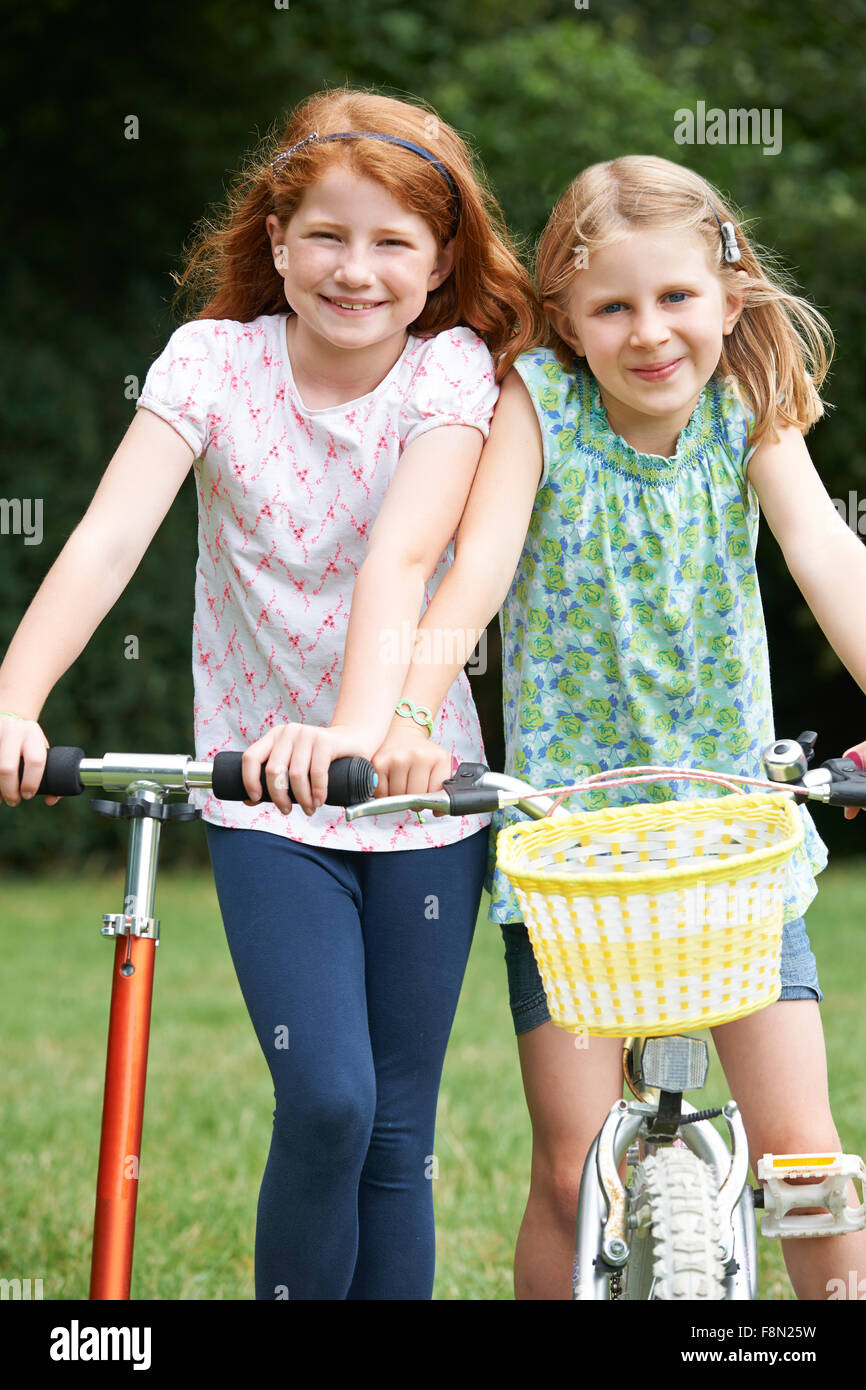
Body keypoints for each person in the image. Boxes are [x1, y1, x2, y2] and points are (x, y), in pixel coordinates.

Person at [0, 86, 545, 1300]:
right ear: (277, 239)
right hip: (263, 796)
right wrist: (15, 697)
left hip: (411, 781)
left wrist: (362, 734)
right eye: (328, 236)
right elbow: (104, 541)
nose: (356, 270)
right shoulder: (210, 363)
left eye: (392, 241)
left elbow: (407, 557)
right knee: (328, 1100)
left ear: (441, 257)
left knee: (396, 1138)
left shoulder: (448, 373)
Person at [373, 155, 866, 1299]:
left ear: (728, 299)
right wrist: (406, 710)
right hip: (569, 851)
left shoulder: (745, 416)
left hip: (729, 843)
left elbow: (824, 554)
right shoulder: (536, 407)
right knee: (570, 1172)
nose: (648, 333)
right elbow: (478, 573)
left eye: (676, 298)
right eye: (611, 306)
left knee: (805, 1162)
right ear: (567, 323)